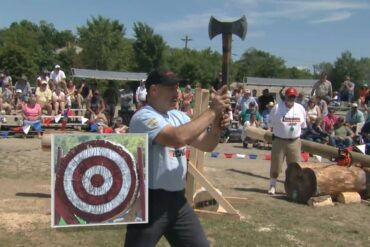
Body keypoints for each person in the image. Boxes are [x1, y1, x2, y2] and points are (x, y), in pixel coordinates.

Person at [125, 69, 230, 247]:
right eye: (171, 88)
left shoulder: (178, 116)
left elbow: (207, 145)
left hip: (178, 201)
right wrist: (212, 111)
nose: (177, 93)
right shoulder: (143, 116)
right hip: (149, 202)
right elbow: (176, 138)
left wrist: (217, 127)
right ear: (153, 90)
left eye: (177, 87)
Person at [268, 87, 307, 195]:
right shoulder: (276, 108)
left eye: (293, 97)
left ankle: (293, 188)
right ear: (285, 96)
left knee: (295, 167)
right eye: (289, 96)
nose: (291, 98)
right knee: (276, 166)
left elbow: (303, 125)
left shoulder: (300, 108)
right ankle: (272, 185)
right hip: (279, 140)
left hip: (294, 141)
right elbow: (270, 124)